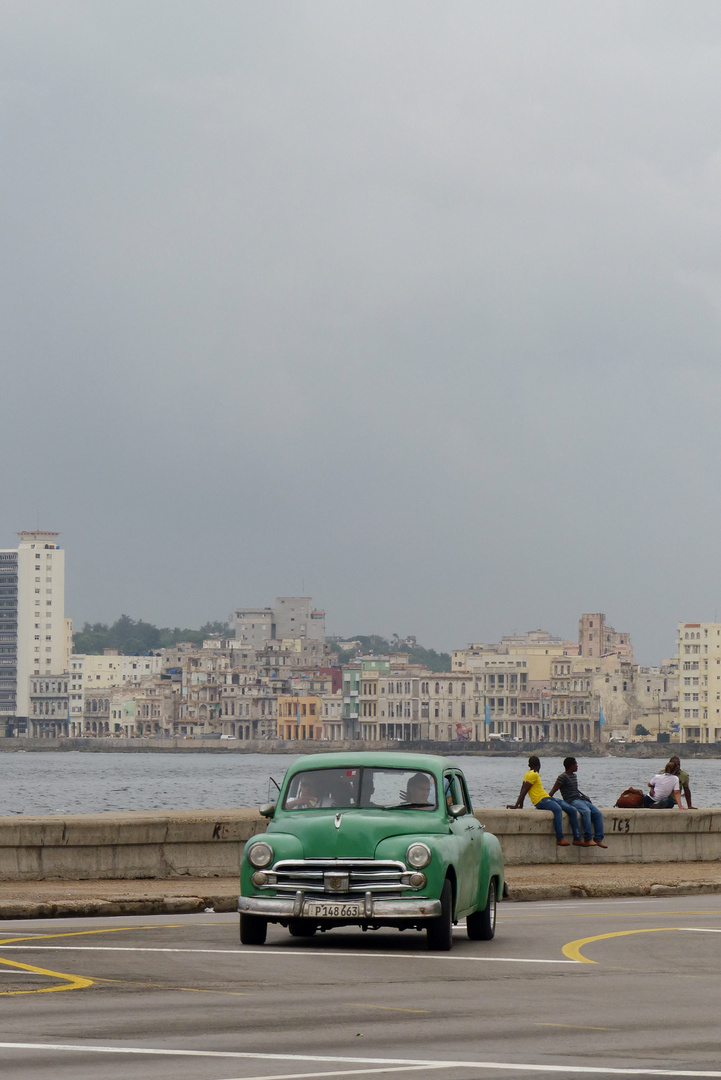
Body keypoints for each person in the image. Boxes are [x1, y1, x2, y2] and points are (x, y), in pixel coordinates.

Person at [507, 755, 582, 846]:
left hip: (547, 798)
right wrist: (516, 805)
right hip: (541, 801)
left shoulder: (528, 774)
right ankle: (560, 838)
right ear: (539, 765)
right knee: (558, 809)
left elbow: (522, 789)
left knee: (572, 809)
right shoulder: (534, 774)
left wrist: (520, 805)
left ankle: (577, 839)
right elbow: (524, 791)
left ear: (529, 765)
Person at [548, 757, 607, 848]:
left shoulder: (574, 776)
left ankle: (598, 838)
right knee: (586, 811)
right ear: (571, 766)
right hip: (572, 801)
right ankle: (588, 838)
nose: (577, 766)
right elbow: (553, 790)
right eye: (576, 764)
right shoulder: (562, 777)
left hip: (580, 799)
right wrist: (547, 800)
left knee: (597, 813)